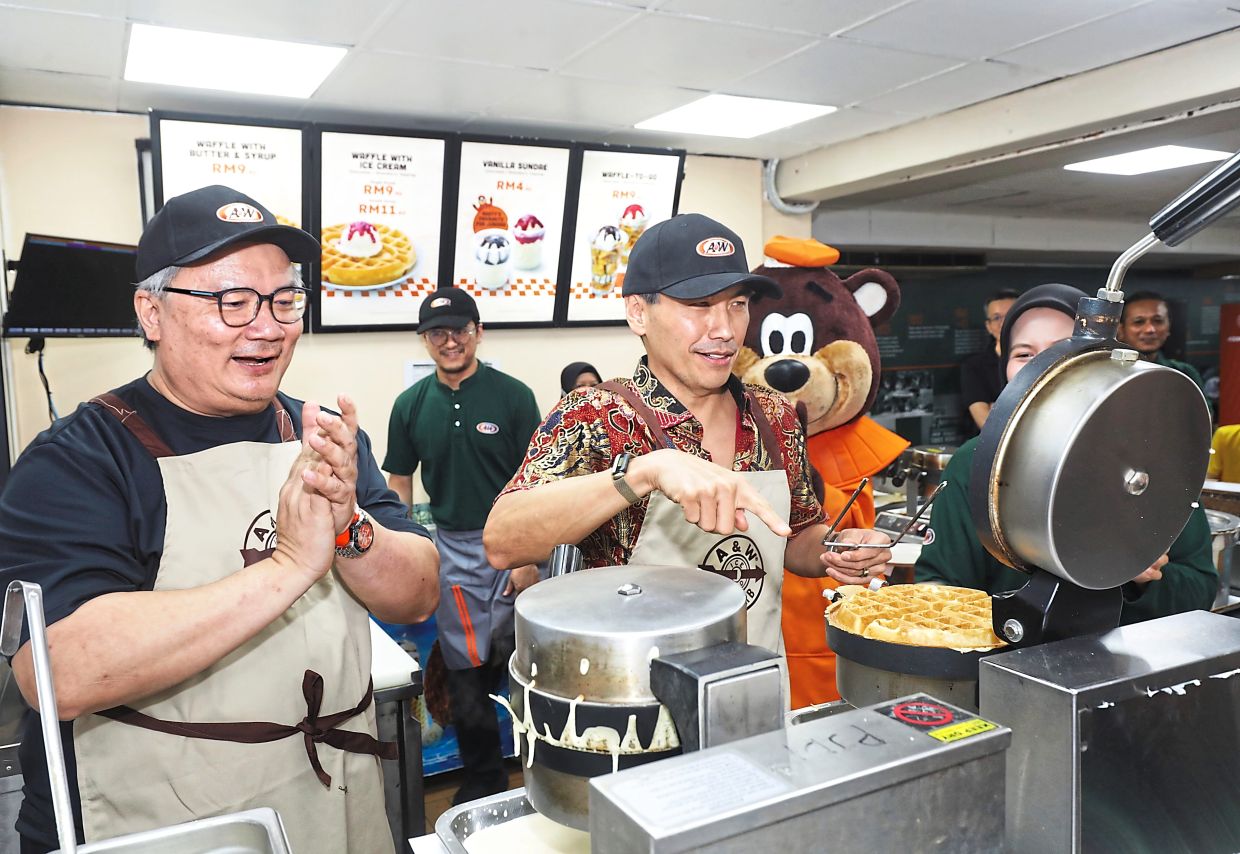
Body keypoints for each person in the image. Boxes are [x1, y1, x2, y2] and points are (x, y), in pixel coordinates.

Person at [0, 185, 439, 854]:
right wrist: (289, 565)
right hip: (175, 823)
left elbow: (417, 594)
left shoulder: (315, 433)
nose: (266, 327)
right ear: (152, 312)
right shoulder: (82, 458)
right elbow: (60, 669)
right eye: (231, 302)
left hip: (332, 801)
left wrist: (349, 525)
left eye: (283, 300)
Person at [484, 214, 892, 666]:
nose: (724, 330)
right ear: (639, 312)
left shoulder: (775, 416)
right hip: (634, 697)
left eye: (737, 304)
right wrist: (641, 472)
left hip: (754, 682)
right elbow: (504, 540)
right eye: (699, 306)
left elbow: (796, 535)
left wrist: (838, 552)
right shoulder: (594, 414)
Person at [916, 283, 1215, 622]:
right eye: (1024, 354)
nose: (1041, 368)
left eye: (1060, 350)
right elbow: (939, 592)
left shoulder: (1151, 456)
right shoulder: (975, 463)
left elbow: (1199, 589)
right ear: (1005, 369)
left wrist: (1133, 578)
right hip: (1009, 668)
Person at [383, 287, 542, 805]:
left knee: (524, 664)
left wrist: (528, 559)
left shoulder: (513, 395)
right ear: (426, 341)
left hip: (513, 542)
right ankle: (484, 777)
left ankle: (544, 768)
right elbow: (399, 483)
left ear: (479, 332)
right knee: (463, 666)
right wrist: (401, 550)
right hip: (450, 548)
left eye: (459, 330)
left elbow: (538, 479)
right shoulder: (410, 405)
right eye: (437, 333)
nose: (449, 341)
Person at [1117, 290, 1207, 392]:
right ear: (1121, 330)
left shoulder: (1185, 373)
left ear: (1168, 327)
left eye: (1158, 321)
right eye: (1139, 322)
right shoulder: (1108, 373)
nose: (1150, 329)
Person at [959, 288, 1019, 433]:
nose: (1004, 323)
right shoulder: (974, 366)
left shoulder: (1041, 359)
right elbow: (986, 423)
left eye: (1010, 315)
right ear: (989, 326)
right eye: (997, 318)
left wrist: (998, 410)